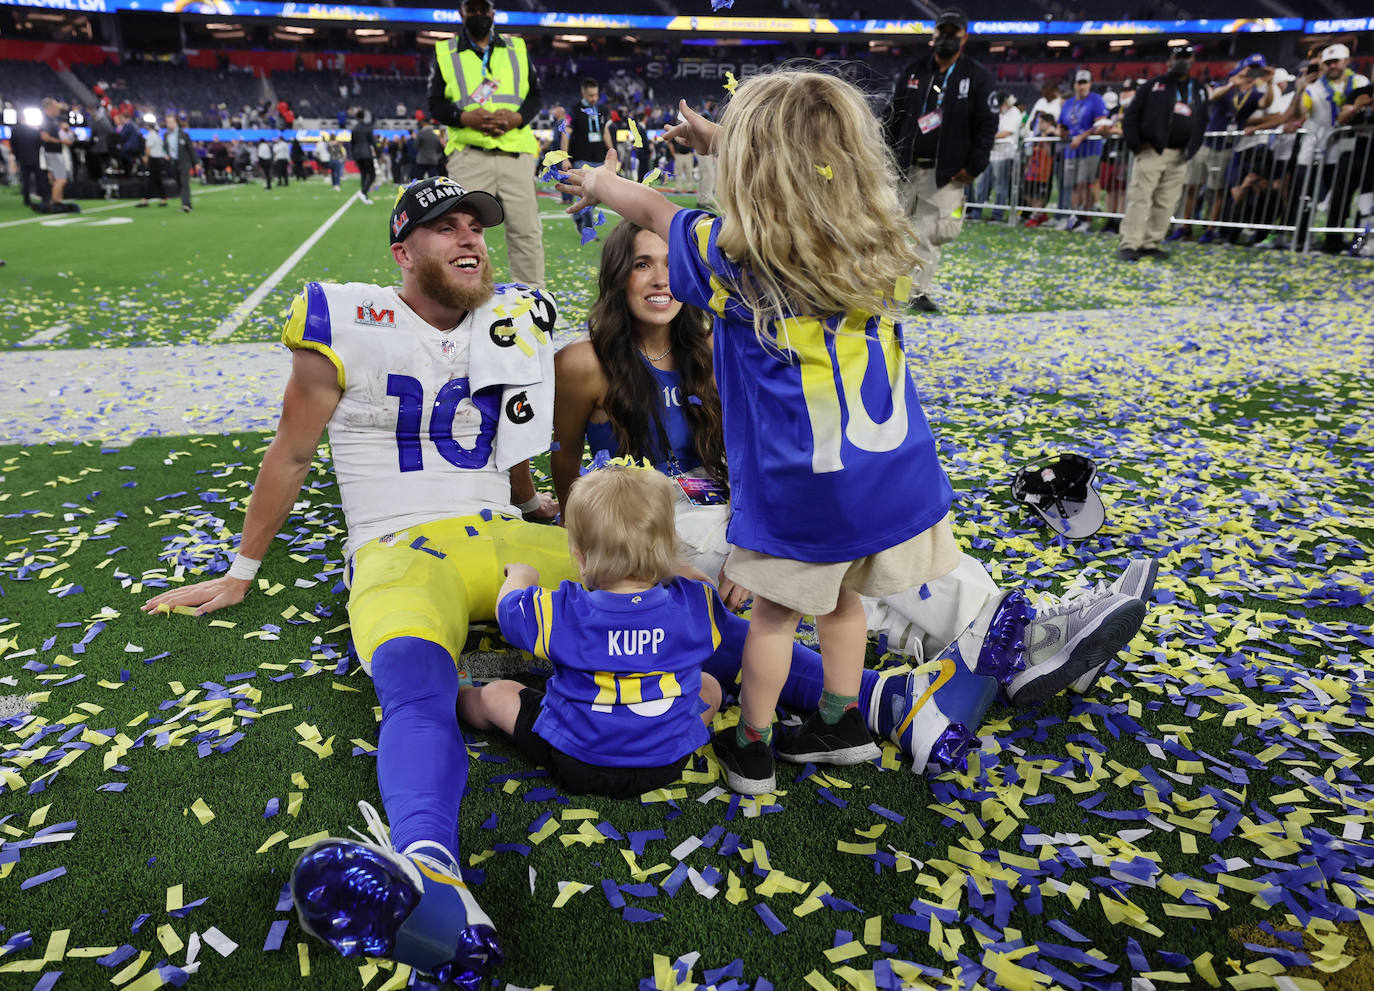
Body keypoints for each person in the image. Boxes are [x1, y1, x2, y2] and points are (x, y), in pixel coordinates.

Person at [560, 71, 1148, 795]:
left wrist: (595, 180)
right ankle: (853, 715)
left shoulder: (737, 262)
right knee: (842, 597)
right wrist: (726, 142)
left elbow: (652, 204)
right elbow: (802, 175)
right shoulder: (874, 242)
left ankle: (753, 745)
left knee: (777, 614)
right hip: (896, 478)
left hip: (805, 488)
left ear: (751, 171)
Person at [142, 176, 564, 986]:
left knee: (656, 596)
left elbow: (514, 435)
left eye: (477, 225)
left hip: (508, 534)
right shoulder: (351, 317)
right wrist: (240, 571)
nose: (471, 237)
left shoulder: (511, 317)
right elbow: (292, 451)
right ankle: (432, 874)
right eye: (447, 228)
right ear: (405, 252)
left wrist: (535, 501)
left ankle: (870, 700)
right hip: (401, 547)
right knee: (417, 682)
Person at [556, 218, 1158, 729]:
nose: (660, 278)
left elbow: (746, 449)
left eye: (668, 262)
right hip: (664, 522)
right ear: (618, 277)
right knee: (835, 576)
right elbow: (566, 468)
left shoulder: (713, 345)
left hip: (733, 511)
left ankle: (1021, 637)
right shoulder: (584, 362)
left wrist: (749, 527)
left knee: (866, 546)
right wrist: (630, 556)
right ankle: (1021, 639)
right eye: (641, 264)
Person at [458, 464, 724, 797]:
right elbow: (704, 584)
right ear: (669, 549)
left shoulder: (566, 610)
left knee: (497, 694)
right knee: (710, 687)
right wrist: (670, 567)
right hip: (666, 763)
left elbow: (509, 610)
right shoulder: (694, 604)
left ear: (580, 559)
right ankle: (663, 736)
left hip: (578, 762)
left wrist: (521, 576)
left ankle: (461, 698)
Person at [882, 7, 996, 314]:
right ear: (933, 35)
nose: (945, 39)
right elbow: (895, 113)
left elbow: (987, 126)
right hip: (907, 166)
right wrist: (886, 152)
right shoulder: (915, 70)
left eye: (952, 34)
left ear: (964, 37)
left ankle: (917, 292)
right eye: (941, 33)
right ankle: (896, 290)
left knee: (928, 235)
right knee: (897, 233)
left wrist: (974, 166)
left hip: (944, 172)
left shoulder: (977, 78)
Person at [428, 0, 545, 286]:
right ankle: (463, 297)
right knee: (462, 236)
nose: (478, 15)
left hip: (515, 152)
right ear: (462, 13)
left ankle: (533, 302)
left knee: (526, 233)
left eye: (484, 9)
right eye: (473, 9)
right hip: (469, 155)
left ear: (492, 12)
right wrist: (463, 117)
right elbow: (435, 104)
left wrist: (517, 117)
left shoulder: (517, 48)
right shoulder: (445, 51)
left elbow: (535, 97)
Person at [1117, 43, 1209, 261]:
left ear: (1193, 61)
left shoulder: (1198, 89)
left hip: (1180, 155)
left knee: (1167, 201)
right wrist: (1137, 144)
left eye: (1187, 57)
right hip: (1152, 151)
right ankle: (1130, 243)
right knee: (1140, 198)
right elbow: (1130, 117)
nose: (1182, 61)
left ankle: (1151, 242)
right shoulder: (1153, 85)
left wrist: (1192, 148)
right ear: (1169, 61)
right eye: (1178, 57)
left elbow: (1203, 120)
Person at [561, 77, 613, 240]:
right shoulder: (574, 110)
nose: (594, 98)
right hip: (581, 159)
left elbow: (604, 131)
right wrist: (564, 157)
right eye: (591, 95)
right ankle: (589, 229)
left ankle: (577, 217)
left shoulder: (602, 109)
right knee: (586, 196)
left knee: (593, 197)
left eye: (596, 95)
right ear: (583, 93)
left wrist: (612, 153)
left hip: (599, 159)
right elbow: (566, 132)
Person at [1057, 70, 1108, 231]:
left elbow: (1100, 123)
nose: (1082, 86)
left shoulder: (1096, 100)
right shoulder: (1068, 103)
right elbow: (1061, 123)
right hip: (1071, 151)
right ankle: (1074, 216)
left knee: (1084, 184)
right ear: (1074, 85)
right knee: (1072, 185)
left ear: (1090, 84)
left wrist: (1081, 137)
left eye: (1085, 82)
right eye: (1079, 83)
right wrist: (1061, 132)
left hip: (1089, 150)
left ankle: (1086, 218)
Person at [971, 91, 1018, 221]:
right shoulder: (997, 113)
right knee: (981, 183)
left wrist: (988, 136)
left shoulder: (1014, 113)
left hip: (1005, 154)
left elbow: (1007, 132)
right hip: (991, 154)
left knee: (1000, 186)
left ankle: (997, 213)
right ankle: (977, 212)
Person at [39, 98, 74, 210]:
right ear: (49, 107)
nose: (58, 109)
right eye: (55, 106)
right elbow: (44, 137)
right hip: (52, 152)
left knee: (56, 179)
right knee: (61, 179)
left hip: (55, 152)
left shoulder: (53, 120)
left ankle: (58, 200)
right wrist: (62, 141)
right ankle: (55, 204)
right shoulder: (46, 120)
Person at [165, 114, 196, 212]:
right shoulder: (166, 135)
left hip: (184, 162)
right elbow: (165, 148)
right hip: (173, 163)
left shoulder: (184, 135)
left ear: (176, 122)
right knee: (178, 183)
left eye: (171, 122)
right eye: (168, 122)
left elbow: (191, 149)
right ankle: (186, 202)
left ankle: (186, 204)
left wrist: (196, 163)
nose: (169, 124)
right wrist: (166, 154)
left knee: (184, 183)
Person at [137, 117, 168, 208]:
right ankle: (163, 198)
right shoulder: (157, 135)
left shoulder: (151, 135)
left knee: (152, 180)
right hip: (159, 160)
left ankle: (145, 199)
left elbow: (148, 148)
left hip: (154, 159)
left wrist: (146, 157)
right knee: (157, 180)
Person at [350, 112, 376, 203]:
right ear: (364, 117)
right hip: (366, 154)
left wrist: (354, 156)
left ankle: (364, 196)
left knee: (363, 174)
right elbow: (373, 142)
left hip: (358, 154)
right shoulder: (367, 127)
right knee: (372, 175)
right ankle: (363, 192)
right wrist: (378, 154)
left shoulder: (354, 128)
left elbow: (352, 144)